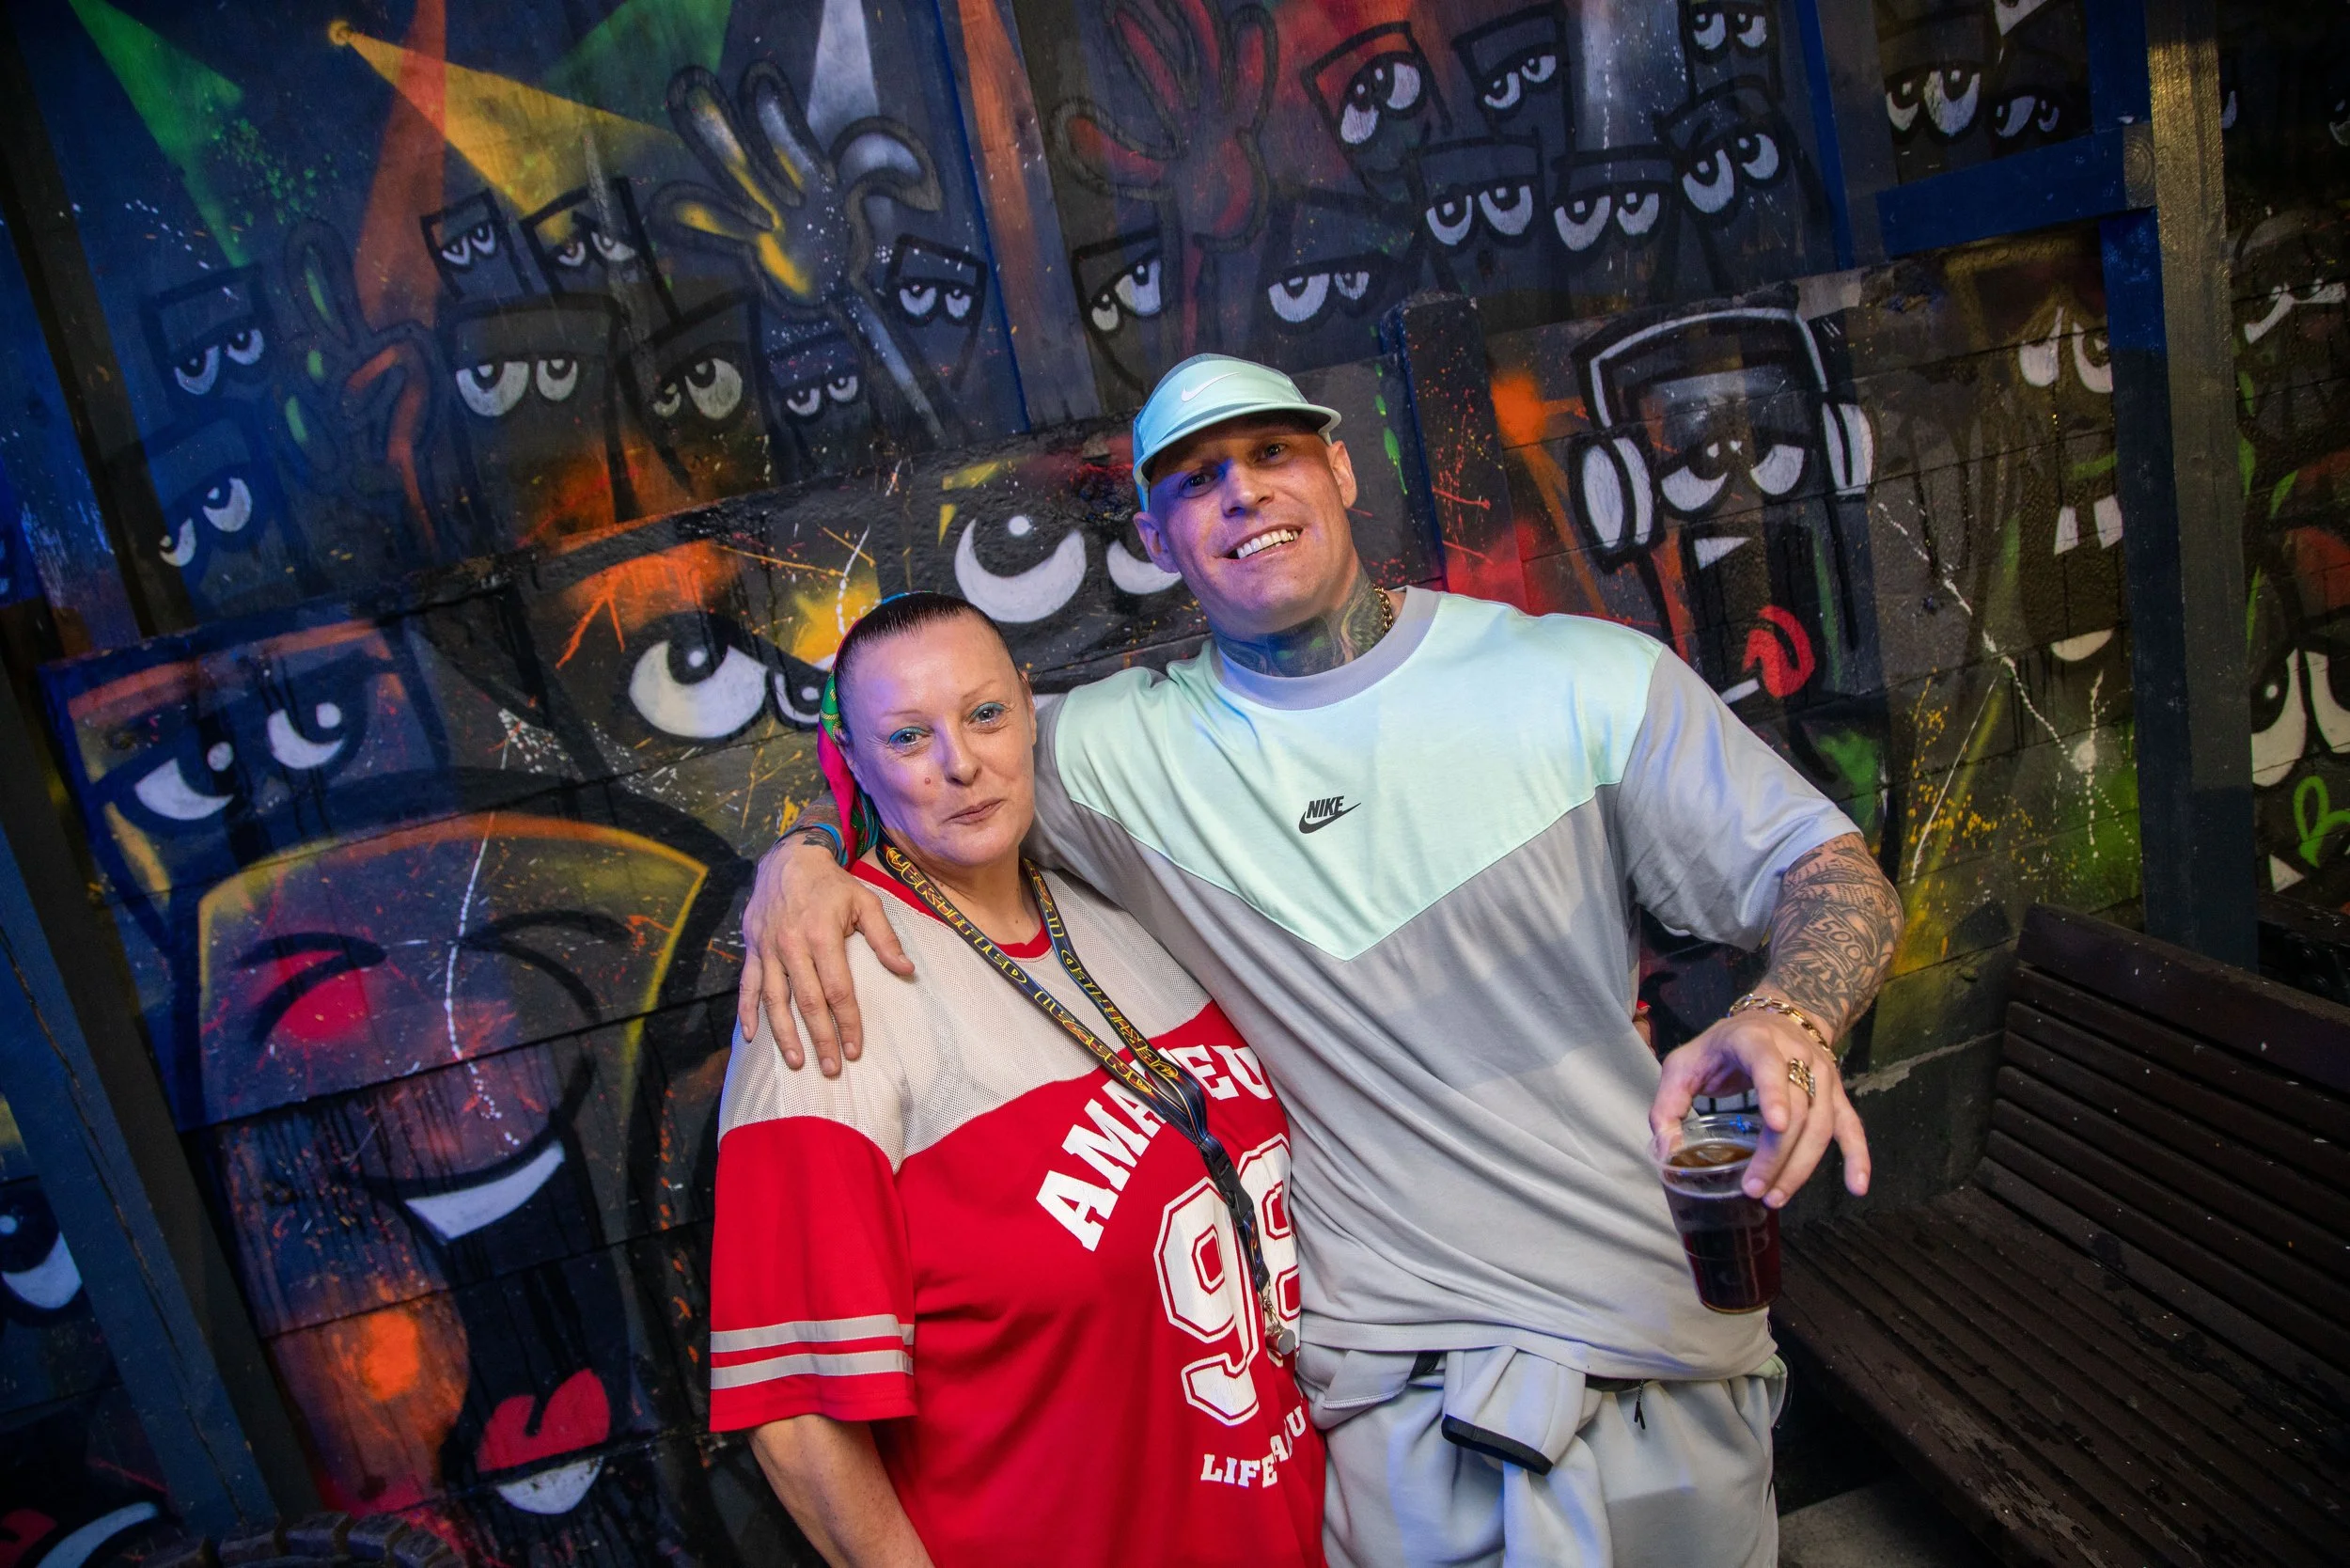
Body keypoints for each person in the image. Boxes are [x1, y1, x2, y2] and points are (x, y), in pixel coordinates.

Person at [740, 355, 1905, 1566]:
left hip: (1655, 1338)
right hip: (1400, 1398)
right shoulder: (1109, 754)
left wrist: (1790, 1016)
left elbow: (1829, 873)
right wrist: (803, 859)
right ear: (1157, 536)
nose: (1241, 492)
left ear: (1340, 469)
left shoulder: (1578, 681)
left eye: (1271, 453)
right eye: (1196, 480)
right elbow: (931, 764)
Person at [707, 592, 1324, 1568]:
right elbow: (797, 1421)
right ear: (853, 762)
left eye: (985, 713)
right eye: (908, 737)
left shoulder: (1122, 907)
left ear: (1030, 709)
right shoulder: (826, 992)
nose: (960, 762)